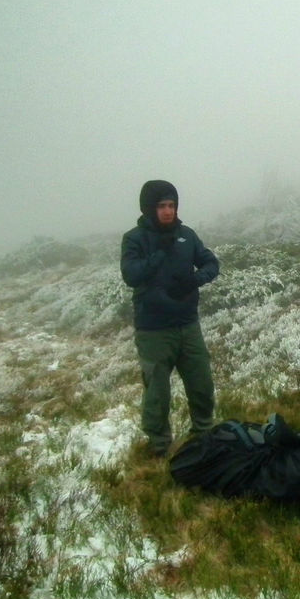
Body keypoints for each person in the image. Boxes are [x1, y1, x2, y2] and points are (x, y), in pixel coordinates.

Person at [121, 180, 220, 457]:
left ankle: (204, 433)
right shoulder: (134, 239)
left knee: (202, 383)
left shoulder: (187, 235)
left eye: (172, 205)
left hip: (188, 324)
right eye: (162, 206)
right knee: (157, 393)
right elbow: (131, 275)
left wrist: (194, 280)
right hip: (153, 330)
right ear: (149, 208)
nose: (168, 211)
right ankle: (159, 445)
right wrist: (159, 253)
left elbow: (212, 263)